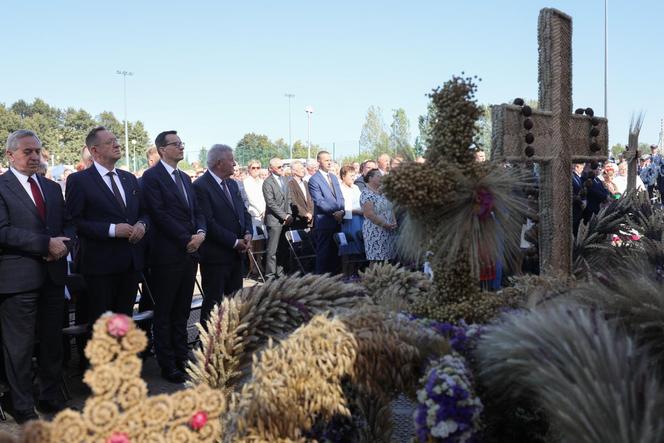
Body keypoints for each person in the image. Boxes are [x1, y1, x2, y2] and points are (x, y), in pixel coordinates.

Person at [0, 130, 73, 421]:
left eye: (38, 151)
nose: (34, 156)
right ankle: (21, 405)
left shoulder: (51, 188)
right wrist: (44, 244)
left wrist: (64, 245)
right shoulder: (2, 187)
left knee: (52, 342)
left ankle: (50, 396)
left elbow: (68, 225)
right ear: (10, 155)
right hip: (19, 280)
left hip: (53, 276)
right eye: (27, 151)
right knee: (19, 347)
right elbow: (3, 231)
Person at [141, 130, 206, 384]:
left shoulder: (185, 178)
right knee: (165, 312)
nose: (181, 147)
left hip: (189, 254)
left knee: (181, 311)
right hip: (167, 255)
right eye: (175, 144)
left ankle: (182, 355)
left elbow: (197, 211)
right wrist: (186, 238)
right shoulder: (151, 178)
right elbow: (158, 214)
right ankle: (167, 363)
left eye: (182, 143)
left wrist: (201, 232)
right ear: (161, 150)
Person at [66, 127, 148, 323]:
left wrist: (142, 224)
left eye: (116, 140)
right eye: (110, 142)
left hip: (130, 263)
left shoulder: (129, 178)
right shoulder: (79, 180)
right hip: (99, 267)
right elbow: (74, 221)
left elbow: (144, 212)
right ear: (94, 151)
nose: (117, 144)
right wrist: (112, 230)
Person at [193, 145, 252, 323]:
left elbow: (243, 211)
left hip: (236, 255)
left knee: (234, 303)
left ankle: (231, 342)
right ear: (219, 163)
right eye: (231, 160)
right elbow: (208, 222)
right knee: (214, 304)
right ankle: (208, 345)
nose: (235, 164)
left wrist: (248, 232)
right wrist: (234, 242)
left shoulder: (232, 184)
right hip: (216, 257)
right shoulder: (201, 186)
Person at [308, 151, 345, 274]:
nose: (329, 162)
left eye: (330, 160)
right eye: (326, 160)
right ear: (319, 161)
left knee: (336, 253)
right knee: (324, 253)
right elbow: (320, 201)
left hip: (338, 221)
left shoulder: (333, 177)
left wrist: (341, 211)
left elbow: (340, 197)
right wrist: (334, 213)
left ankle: (335, 280)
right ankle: (321, 281)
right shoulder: (314, 180)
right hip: (325, 221)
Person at [262, 157, 292, 279]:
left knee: (283, 248)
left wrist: (289, 214)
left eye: (282, 166)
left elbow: (288, 198)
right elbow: (271, 203)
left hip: (285, 220)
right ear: (271, 169)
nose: (282, 169)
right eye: (279, 167)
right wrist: (284, 215)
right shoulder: (267, 183)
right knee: (272, 250)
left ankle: (280, 273)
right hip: (274, 221)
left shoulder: (284, 180)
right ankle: (270, 275)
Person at [360, 169, 397, 262]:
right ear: (370, 178)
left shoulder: (384, 193)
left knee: (387, 260)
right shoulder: (366, 193)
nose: (381, 178)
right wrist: (385, 224)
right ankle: (372, 277)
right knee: (376, 260)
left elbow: (390, 208)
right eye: (378, 176)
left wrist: (394, 221)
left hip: (389, 230)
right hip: (375, 231)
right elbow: (369, 214)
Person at [338, 165, 364, 276]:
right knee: (347, 248)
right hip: (348, 222)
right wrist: (355, 211)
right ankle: (346, 274)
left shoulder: (356, 188)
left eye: (354, 176)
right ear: (343, 176)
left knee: (358, 249)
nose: (353, 178)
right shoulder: (340, 188)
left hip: (359, 221)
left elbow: (361, 202)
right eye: (350, 176)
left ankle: (355, 273)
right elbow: (342, 207)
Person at [288, 160, 313, 230]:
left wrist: (310, 213)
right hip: (298, 220)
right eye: (301, 168)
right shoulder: (290, 184)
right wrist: (305, 214)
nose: (303, 170)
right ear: (294, 171)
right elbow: (293, 202)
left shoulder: (306, 183)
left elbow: (311, 200)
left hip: (309, 220)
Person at [572, 163, 586, 236]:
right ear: (576, 167)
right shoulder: (571, 177)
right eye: (582, 167)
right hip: (574, 208)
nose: (582, 169)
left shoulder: (577, 177)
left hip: (578, 210)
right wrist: (580, 202)